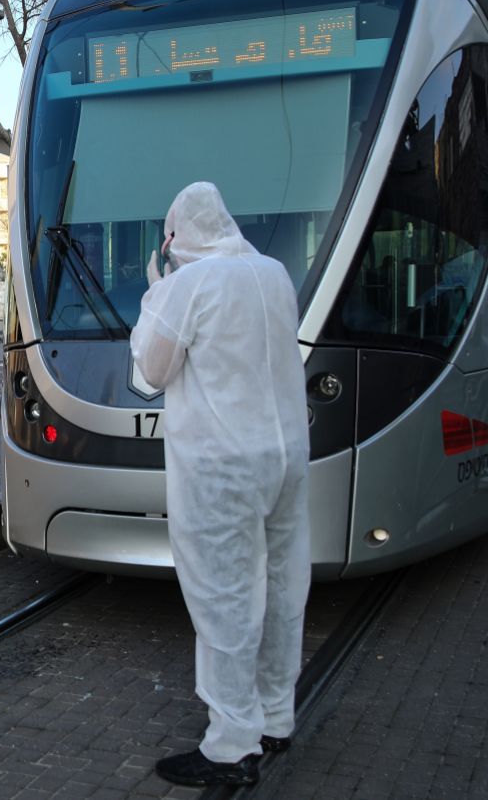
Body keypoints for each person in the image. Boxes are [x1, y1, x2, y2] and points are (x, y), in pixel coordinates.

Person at [130, 182, 310, 788]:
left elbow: (152, 372)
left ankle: (232, 745)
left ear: (177, 235)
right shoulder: (275, 274)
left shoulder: (188, 285)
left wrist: (156, 296)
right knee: (283, 588)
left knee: (226, 597)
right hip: (284, 457)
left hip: (221, 466)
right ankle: (275, 718)